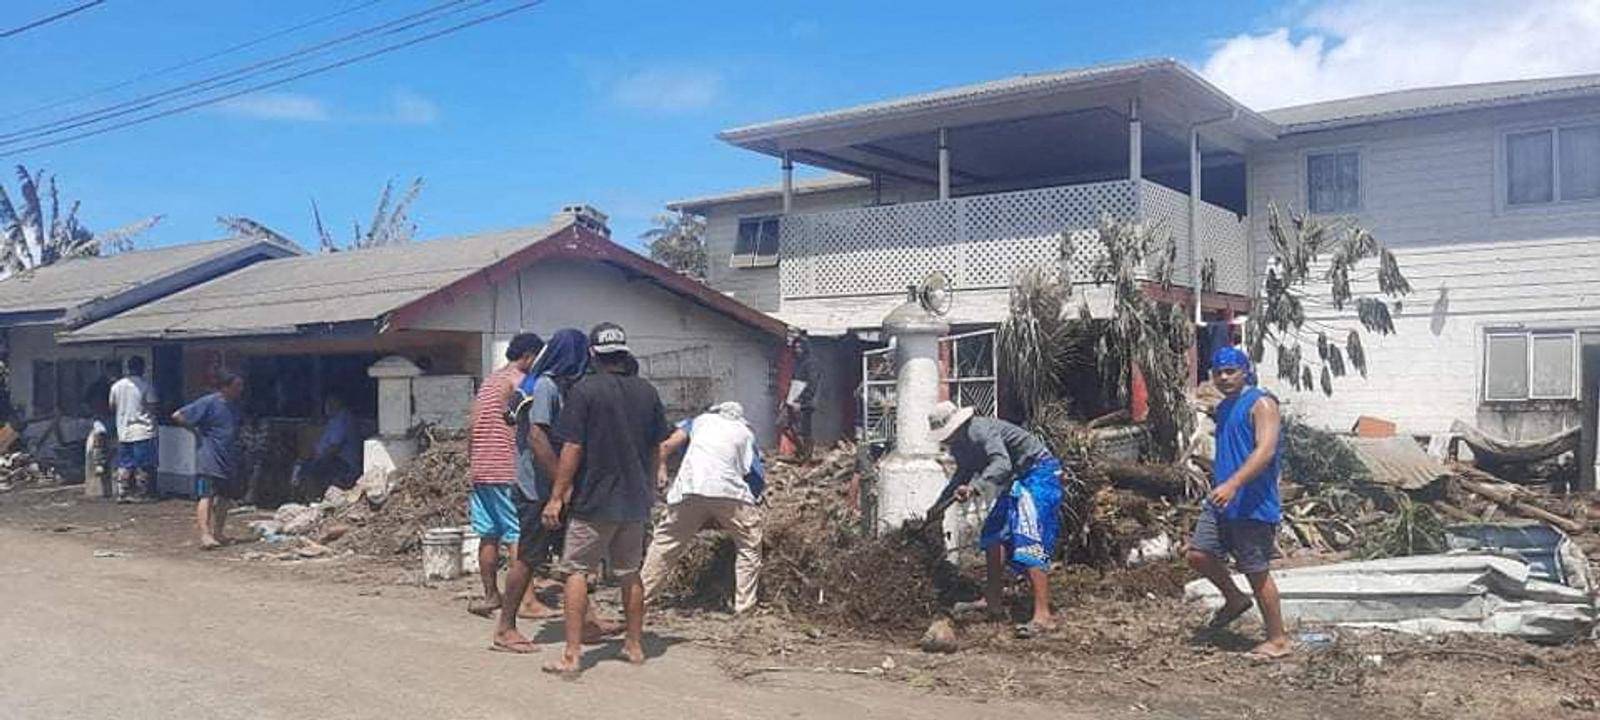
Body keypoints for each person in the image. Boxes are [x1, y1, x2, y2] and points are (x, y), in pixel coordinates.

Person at [540, 322, 670, 675]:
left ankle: (572, 655)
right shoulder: (647, 392)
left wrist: (557, 496)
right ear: (623, 353)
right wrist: (655, 478)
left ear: (593, 355)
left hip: (594, 500)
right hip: (634, 501)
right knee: (630, 574)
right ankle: (634, 645)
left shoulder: (585, 391)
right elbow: (657, 444)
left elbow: (573, 447)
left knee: (577, 571)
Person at [491, 328, 619, 652]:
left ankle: (586, 622)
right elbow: (537, 438)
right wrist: (562, 487)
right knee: (529, 558)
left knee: (575, 558)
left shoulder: (563, 387)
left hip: (556, 488)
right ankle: (505, 628)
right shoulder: (546, 386)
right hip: (537, 489)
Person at [1185, 346, 1290, 660]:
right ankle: (1234, 599)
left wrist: (1233, 484)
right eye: (1218, 372)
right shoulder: (1226, 406)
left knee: (1256, 571)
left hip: (1251, 502)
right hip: (1222, 499)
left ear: (1245, 371)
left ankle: (1278, 639)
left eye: (1231, 371)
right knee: (1198, 554)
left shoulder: (1261, 403)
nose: (1224, 377)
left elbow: (1265, 450)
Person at [928, 401, 1063, 639]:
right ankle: (993, 602)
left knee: (1027, 536)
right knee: (993, 535)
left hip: (1039, 473)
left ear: (958, 426)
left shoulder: (980, 430)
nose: (947, 440)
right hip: (1019, 479)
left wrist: (974, 488)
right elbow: (962, 475)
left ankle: (1043, 615)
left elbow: (1002, 463)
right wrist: (937, 507)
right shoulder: (960, 445)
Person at [640, 401, 765, 615]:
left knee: (665, 544)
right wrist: (744, 508)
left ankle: (640, 599)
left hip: (689, 488)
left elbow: (665, 446)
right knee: (749, 544)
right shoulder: (745, 432)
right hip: (729, 490)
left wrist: (660, 470)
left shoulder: (698, 421)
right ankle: (745, 606)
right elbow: (756, 476)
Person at [465, 333, 543, 617]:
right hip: (507, 468)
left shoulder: (489, 382)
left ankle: (491, 595)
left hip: (481, 469)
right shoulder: (520, 383)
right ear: (529, 356)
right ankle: (527, 600)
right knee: (517, 535)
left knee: (488, 535)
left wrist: (472, 463)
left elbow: (472, 425)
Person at [172, 373, 246, 550]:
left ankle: (218, 533)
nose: (240, 390)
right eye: (237, 386)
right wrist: (196, 431)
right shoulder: (209, 402)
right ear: (225, 387)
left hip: (228, 457)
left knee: (225, 497)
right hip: (210, 457)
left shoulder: (234, 407)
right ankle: (205, 534)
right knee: (207, 495)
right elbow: (178, 415)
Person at [108, 356, 158, 502]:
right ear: (142, 368)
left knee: (125, 463)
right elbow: (153, 406)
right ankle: (142, 493)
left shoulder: (116, 386)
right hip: (143, 430)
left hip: (123, 431)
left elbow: (112, 406)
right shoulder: (145, 386)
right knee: (144, 464)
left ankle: (122, 492)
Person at [297, 395, 362, 499]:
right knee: (303, 467)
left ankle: (314, 499)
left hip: (343, 464)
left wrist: (317, 460)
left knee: (310, 470)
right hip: (333, 460)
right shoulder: (334, 419)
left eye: (330, 403)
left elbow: (334, 447)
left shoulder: (342, 419)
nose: (326, 407)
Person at [777, 330, 816, 462]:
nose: (798, 350)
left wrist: (801, 401)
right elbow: (793, 383)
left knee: (804, 430)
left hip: (804, 403)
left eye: (800, 347)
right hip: (792, 399)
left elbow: (812, 384)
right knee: (785, 425)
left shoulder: (810, 364)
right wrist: (786, 399)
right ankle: (801, 452)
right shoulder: (797, 364)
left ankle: (806, 456)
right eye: (796, 347)